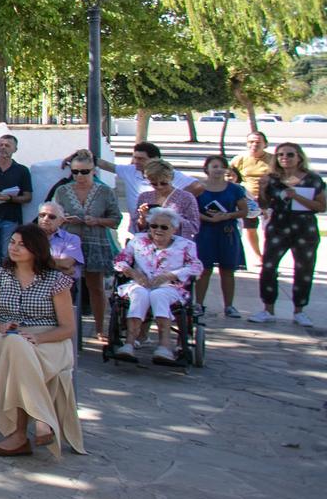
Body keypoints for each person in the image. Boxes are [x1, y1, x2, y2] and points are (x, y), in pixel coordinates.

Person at [0, 223, 84, 458]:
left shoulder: (56, 281)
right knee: (15, 344)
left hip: (49, 342)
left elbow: (68, 328)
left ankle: (18, 436)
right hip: (7, 338)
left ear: (37, 249)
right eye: (12, 242)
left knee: (20, 349)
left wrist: (38, 337)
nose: (14, 248)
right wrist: (2, 326)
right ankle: (41, 418)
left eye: (22, 245)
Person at [112, 207, 203, 364]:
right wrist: (133, 273)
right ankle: (129, 343)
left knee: (158, 295)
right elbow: (119, 261)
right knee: (139, 294)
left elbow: (196, 267)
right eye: (154, 226)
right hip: (140, 284)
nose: (158, 230)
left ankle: (164, 346)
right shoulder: (138, 240)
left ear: (174, 229)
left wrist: (170, 275)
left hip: (170, 287)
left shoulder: (185, 245)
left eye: (164, 227)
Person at [50, 148, 121, 344]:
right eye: (75, 172)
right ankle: (63, 326)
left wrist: (97, 220)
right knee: (64, 284)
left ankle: (100, 328)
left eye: (84, 172)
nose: (79, 176)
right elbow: (52, 214)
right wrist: (64, 219)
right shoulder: (62, 191)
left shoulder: (105, 191)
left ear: (93, 171)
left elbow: (116, 219)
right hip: (68, 243)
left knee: (95, 286)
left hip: (95, 240)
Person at [254, 142, 325, 326]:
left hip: (304, 228)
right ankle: (267, 309)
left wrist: (296, 196)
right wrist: (262, 189)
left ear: (299, 157)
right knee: (269, 266)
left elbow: (322, 206)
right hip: (278, 226)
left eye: (290, 154)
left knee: (304, 269)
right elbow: (263, 204)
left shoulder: (312, 179)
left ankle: (299, 310)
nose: (285, 158)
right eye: (280, 155)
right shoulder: (272, 179)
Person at [185, 153, 247, 316]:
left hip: (227, 232)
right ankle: (198, 304)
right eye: (214, 166)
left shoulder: (235, 189)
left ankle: (229, 306)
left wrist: (227, 216)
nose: (218, 170)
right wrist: (207, 218)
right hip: (205, 232)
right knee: (204, 269)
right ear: (207, 169)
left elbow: (244, 210)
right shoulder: (199, 188)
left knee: (228, 270)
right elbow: (190, 209)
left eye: (221, 166)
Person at [231, 130, 275, 268]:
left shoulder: (273, 160)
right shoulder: (239, 159)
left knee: (270, 231)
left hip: (269, 200)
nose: (254, 144)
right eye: (251, 142)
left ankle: (269, 255)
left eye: (258, 142)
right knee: (250, 229)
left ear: (265, 144)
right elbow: (230, 175)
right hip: (247, 201)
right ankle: (258, 256)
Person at [136, 161, 200, 245]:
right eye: (154, 183)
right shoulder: (144, 197)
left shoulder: (186, 197)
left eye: (163, 183)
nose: (159, 186)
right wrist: (143, 217)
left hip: (177, 245)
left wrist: (173, 218)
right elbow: (138, 228)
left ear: (171, 179)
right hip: (150, 246)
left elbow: (194, 227)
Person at [32, 202, 84, 276]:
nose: (45, 219)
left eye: (52, 217)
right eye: (42, 215)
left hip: (62, 285)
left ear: (61, 221)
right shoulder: (28, 237)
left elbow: (65, 263)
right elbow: (21, 262)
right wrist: (60, 269)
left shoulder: (71, 239)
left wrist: (34, 260)